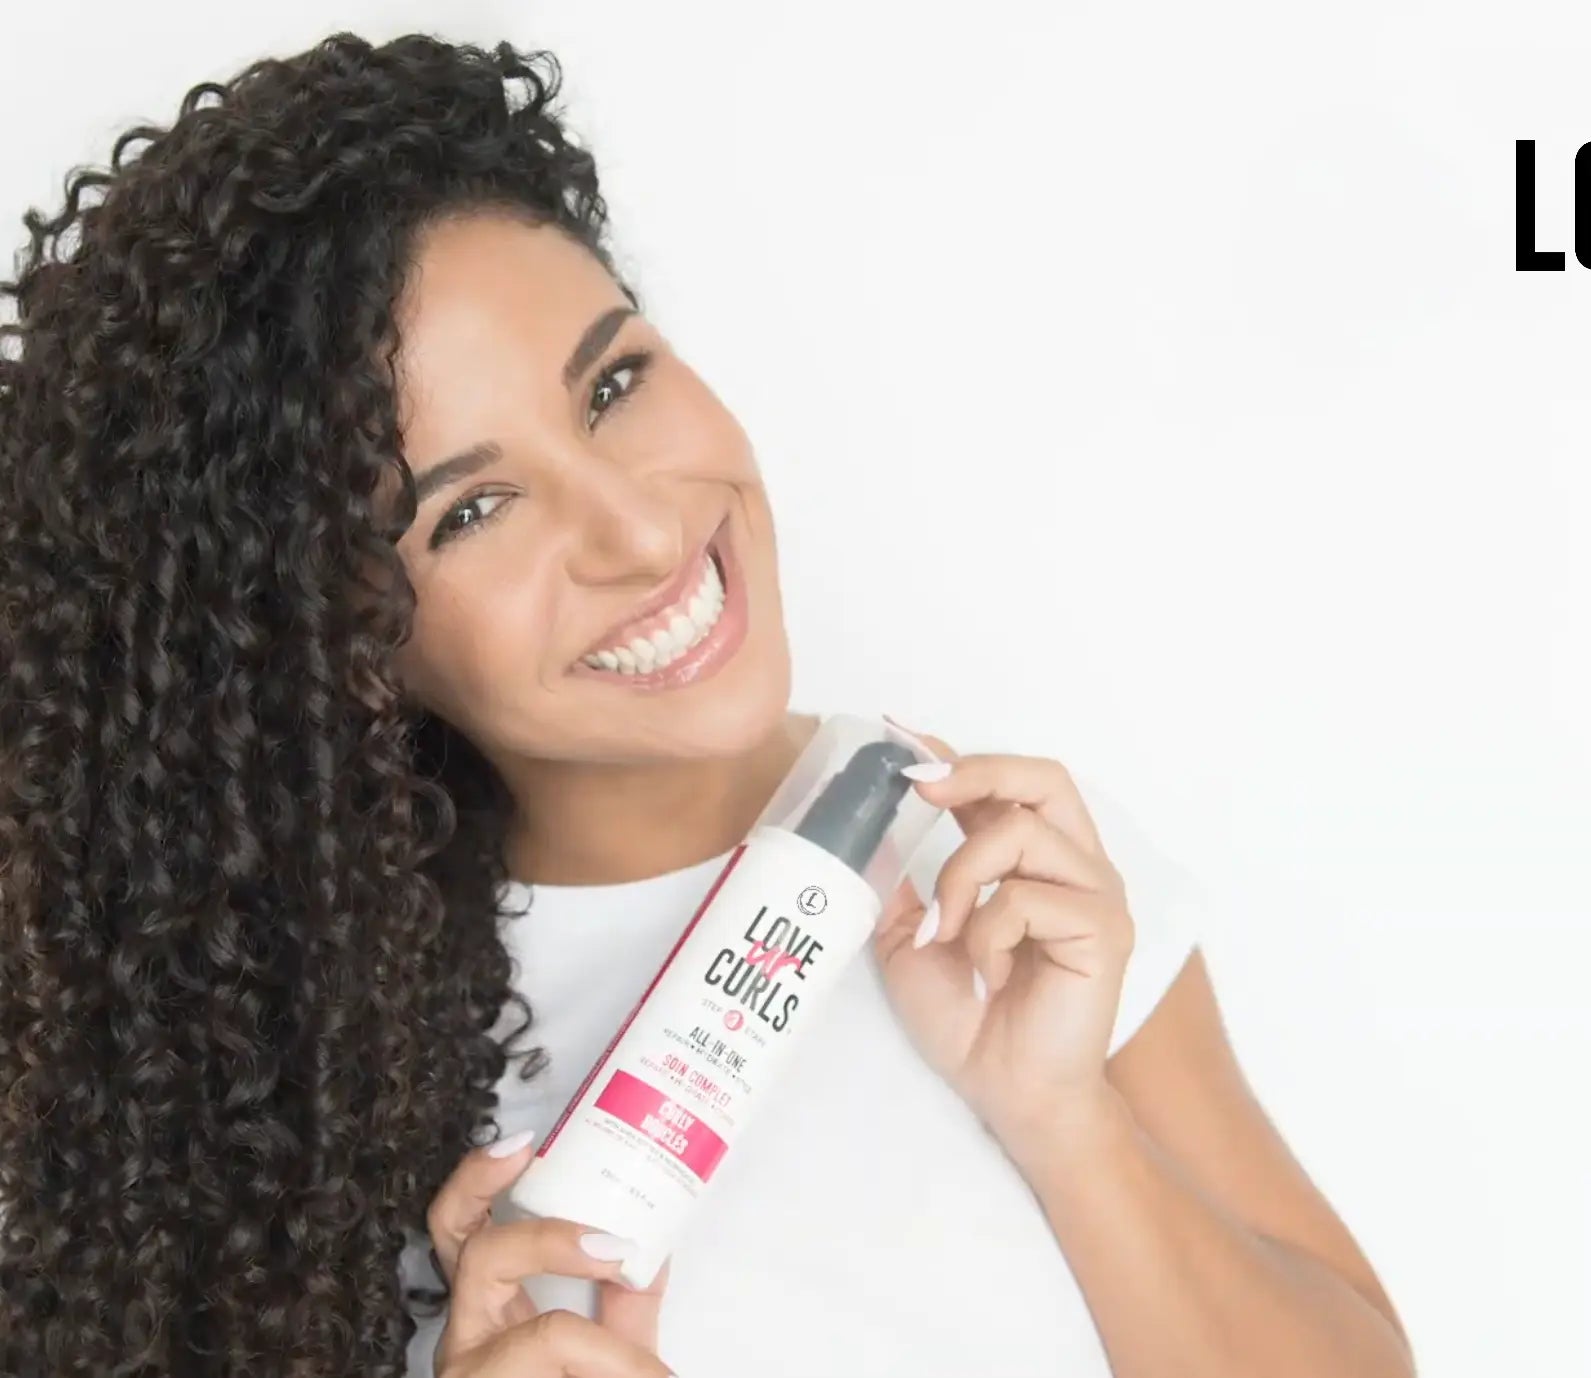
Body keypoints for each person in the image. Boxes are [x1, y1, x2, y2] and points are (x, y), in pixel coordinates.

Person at [0, 31, 1411, 1378]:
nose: (636, 530)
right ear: (344, 641)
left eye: (612, 383)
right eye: (473, 510)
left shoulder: (990, 866)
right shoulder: (306, 1100)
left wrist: (1064, 1116)